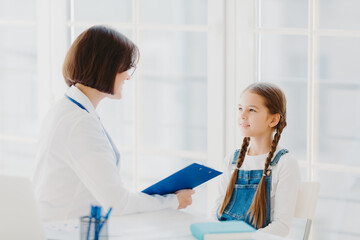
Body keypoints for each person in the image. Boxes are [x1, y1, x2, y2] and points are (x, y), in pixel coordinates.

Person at [32, 25, 194, 221]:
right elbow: (118, 203)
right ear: (105, 68)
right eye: (124, 68)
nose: (127, 75)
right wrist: (172, 200)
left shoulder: (68, 110)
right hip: (67, 231)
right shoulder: (79, 123)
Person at [215, 82, 300, 237]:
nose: (242, 115)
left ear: (273, 120)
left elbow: (281, 226)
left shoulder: (285, 163)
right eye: (240, 108)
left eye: (252, 110)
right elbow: (218, 213)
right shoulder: (232, 160)